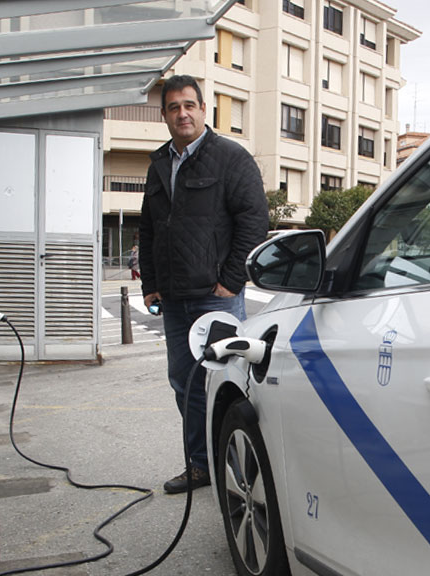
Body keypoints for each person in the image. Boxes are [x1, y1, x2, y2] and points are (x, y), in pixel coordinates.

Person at [138, 75, 269, 494]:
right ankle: (200, 466)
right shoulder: (159, 164)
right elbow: (149, 228)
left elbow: (254, 222)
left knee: (229, 385)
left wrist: (231, 282)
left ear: (203, 109)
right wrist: (151, 284)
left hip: (217, 299)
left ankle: (238, 467)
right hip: (175, 302)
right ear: (164, 115)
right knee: (186, 384)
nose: (182, 114)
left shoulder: (231, 158)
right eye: (174, 107)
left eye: (189, 105)